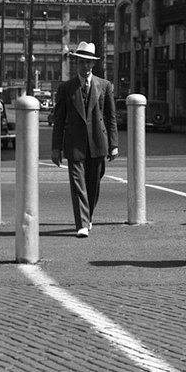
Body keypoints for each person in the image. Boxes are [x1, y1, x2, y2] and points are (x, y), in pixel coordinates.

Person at [50, 42, 118, 238]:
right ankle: (81, 223)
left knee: (93, 184)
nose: (85, 67)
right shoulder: (66, 88)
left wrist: (113, 144)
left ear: (93, 65)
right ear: (76, 64)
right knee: (77, 183)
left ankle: (88, 217)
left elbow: (111, 117)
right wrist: (56, 149)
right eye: (82, 63)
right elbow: (59, 120)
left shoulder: (105, 86)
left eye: (89, 63)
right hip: (74, 144)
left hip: (98, 143)